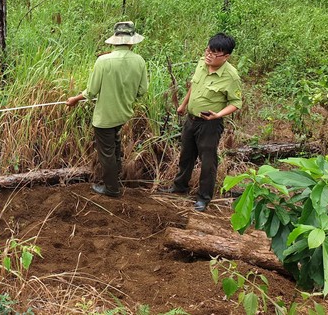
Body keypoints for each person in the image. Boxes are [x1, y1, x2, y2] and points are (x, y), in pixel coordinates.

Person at [66, 21, 148, 197]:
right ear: (132, 41)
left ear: (115, 40)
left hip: (105, 117)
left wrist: (74, 99)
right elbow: (142, 91)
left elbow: (91, 91)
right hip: (123, 114)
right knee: (115, 146)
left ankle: (111, 188)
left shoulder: (103, 61)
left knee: (107, 152)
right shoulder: (139, 61)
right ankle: (115, 177)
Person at [162, 33, 242, 212]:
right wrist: (183, 104)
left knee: (208, 161)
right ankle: (180, 185)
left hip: (209, 124)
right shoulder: (202, 63)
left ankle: (203, 197)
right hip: (191, 119)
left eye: (214, 53)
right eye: (208, 50)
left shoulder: (231, 76)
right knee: (186, 154)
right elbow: (193, 86)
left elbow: (236, 103)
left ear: (226, 56)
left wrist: (218, 114)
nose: (209, 55)